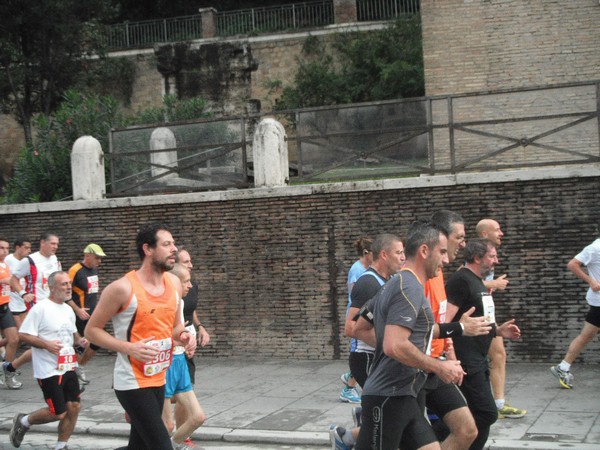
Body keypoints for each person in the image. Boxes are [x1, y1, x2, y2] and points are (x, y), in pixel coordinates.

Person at [354, 222, 465, 450]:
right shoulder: (409, 288)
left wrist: (459, 328)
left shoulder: (394, 283)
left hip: (405, 394)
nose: (446, 260)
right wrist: (439, 367)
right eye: (442, 252)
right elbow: (395, 345)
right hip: (387, 397)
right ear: (424, 251)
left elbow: (362, 327)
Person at [85, 222, 196, 450]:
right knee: (160, 444)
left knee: (139, 446)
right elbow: (91, 331)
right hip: (132, 382)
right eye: (166, 244)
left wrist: (184, 335)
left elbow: (174, 329)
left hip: (159, 376)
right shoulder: (122, 288)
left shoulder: (174, 283)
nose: (174, 249)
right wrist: (128, 348)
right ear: (148, 249)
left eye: (173, 243)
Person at [445, 238, 522, 450]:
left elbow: (477, 321)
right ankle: (431, 440)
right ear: (477, 257)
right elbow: (443, 322)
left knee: (481, 414)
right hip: (465, 359)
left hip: (479, 357)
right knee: (486, 412)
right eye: (492, 256)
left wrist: (498, 331)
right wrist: (451, 357)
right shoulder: (461, 280)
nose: (496, 261)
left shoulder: (477, 281)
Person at [330, 234, 405, 449]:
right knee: (390, 417)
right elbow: (351, 328)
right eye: (398, 253)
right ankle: (345, 437)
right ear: (383, 254)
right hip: (367, 359)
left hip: (381, 358)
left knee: (392, 415)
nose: (403, 258)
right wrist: (389, 347)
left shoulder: (389, 280)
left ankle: (361, 422)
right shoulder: (367, 283)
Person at [9, 271, 87, 450]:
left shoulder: (68, 309)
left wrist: (81, 341)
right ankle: (24, 421)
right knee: (58, 413)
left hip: (67, 366)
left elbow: (73, 336)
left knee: (74, 406)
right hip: (48, 368)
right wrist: (46, 345)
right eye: (63, 284)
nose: (68, 287)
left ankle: (61, 446)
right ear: (51, 288)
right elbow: (24, 335)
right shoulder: (41, 308)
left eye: (69, 283)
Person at [476, 218, 526, 418]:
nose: (501, 233)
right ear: (484, 234)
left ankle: (496, 403)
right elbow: (467, 281)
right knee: (494, 356)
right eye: (497, 230)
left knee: (498, 355)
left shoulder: (487, 253)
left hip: (486, 313)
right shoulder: (478, 255)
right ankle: (494, 404)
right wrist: (493, 284)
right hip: (478, 315)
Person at [4, 232, 62, 385]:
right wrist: (23, 294)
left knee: (46, 343)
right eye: (53, 243)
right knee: (42, 343)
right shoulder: (29, 260)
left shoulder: (55, 259)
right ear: (43, 243)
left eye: (57, 244)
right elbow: (13, 279)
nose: (55, 247)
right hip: (36, 306)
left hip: (54, 305)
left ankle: (10, 367)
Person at [162, 263, 206, 449]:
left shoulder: (180, 303)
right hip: (166, 363)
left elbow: (180, 332)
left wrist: (188, 341)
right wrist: (178, 341)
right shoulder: (165, 304)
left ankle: (172, 445)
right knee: (168, 424)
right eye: (186, 282)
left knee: (197, 417)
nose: (190, 285)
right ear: (174, 282)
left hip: (180, 361)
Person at [550, 230, 600, 389]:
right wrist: (591, 281)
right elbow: (572, 264)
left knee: (587, 335)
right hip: (599, 301)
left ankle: (563, 367)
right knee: (586, 335)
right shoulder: (595, 248)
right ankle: (563, 367)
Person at [174, 247, 210, 448]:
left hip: (184, 349)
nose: (191, 265)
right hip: (172, 352)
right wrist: (182, 339)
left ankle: (179, 438)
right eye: (186, 262)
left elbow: (191, 311)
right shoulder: (170, 297)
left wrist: (199, 328)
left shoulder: (192, 287)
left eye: (190, 261)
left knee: (188, 398)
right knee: (169, 398)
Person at [66, 243, 107, 388]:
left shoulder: (95, 270)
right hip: (78, 314)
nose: (99, 262)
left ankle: (79, 366)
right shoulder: (75, 270)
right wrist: (77, 310)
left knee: (96, 343)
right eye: (97, 258)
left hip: (92, 313)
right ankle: (71, 370)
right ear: (87, 255)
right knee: (82, 343)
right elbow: (65, 293)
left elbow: (92, 292)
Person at [340, 236, 373, 404]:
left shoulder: (368, 269)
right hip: (356, 316)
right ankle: (348, 389)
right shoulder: (357, 269)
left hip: (365, 315)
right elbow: (356, 296)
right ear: (366, 253)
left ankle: (349, 378)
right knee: (358, 351)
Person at [0, 237, 23, 389]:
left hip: (4, 307)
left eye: (7, 248)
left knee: (14, 339)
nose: (5, 251)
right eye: (2, 248)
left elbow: (9, 282)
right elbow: (7, 280)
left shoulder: (5, 265)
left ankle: (7, 370)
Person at [6, 238, 32, 329]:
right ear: (17, 247)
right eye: (26, 248)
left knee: (24, 333)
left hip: (22, 302)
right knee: (18, 334)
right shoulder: (8, 260)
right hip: (11, 303)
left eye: (30, 248)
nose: (29, 251)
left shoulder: (25, 262)